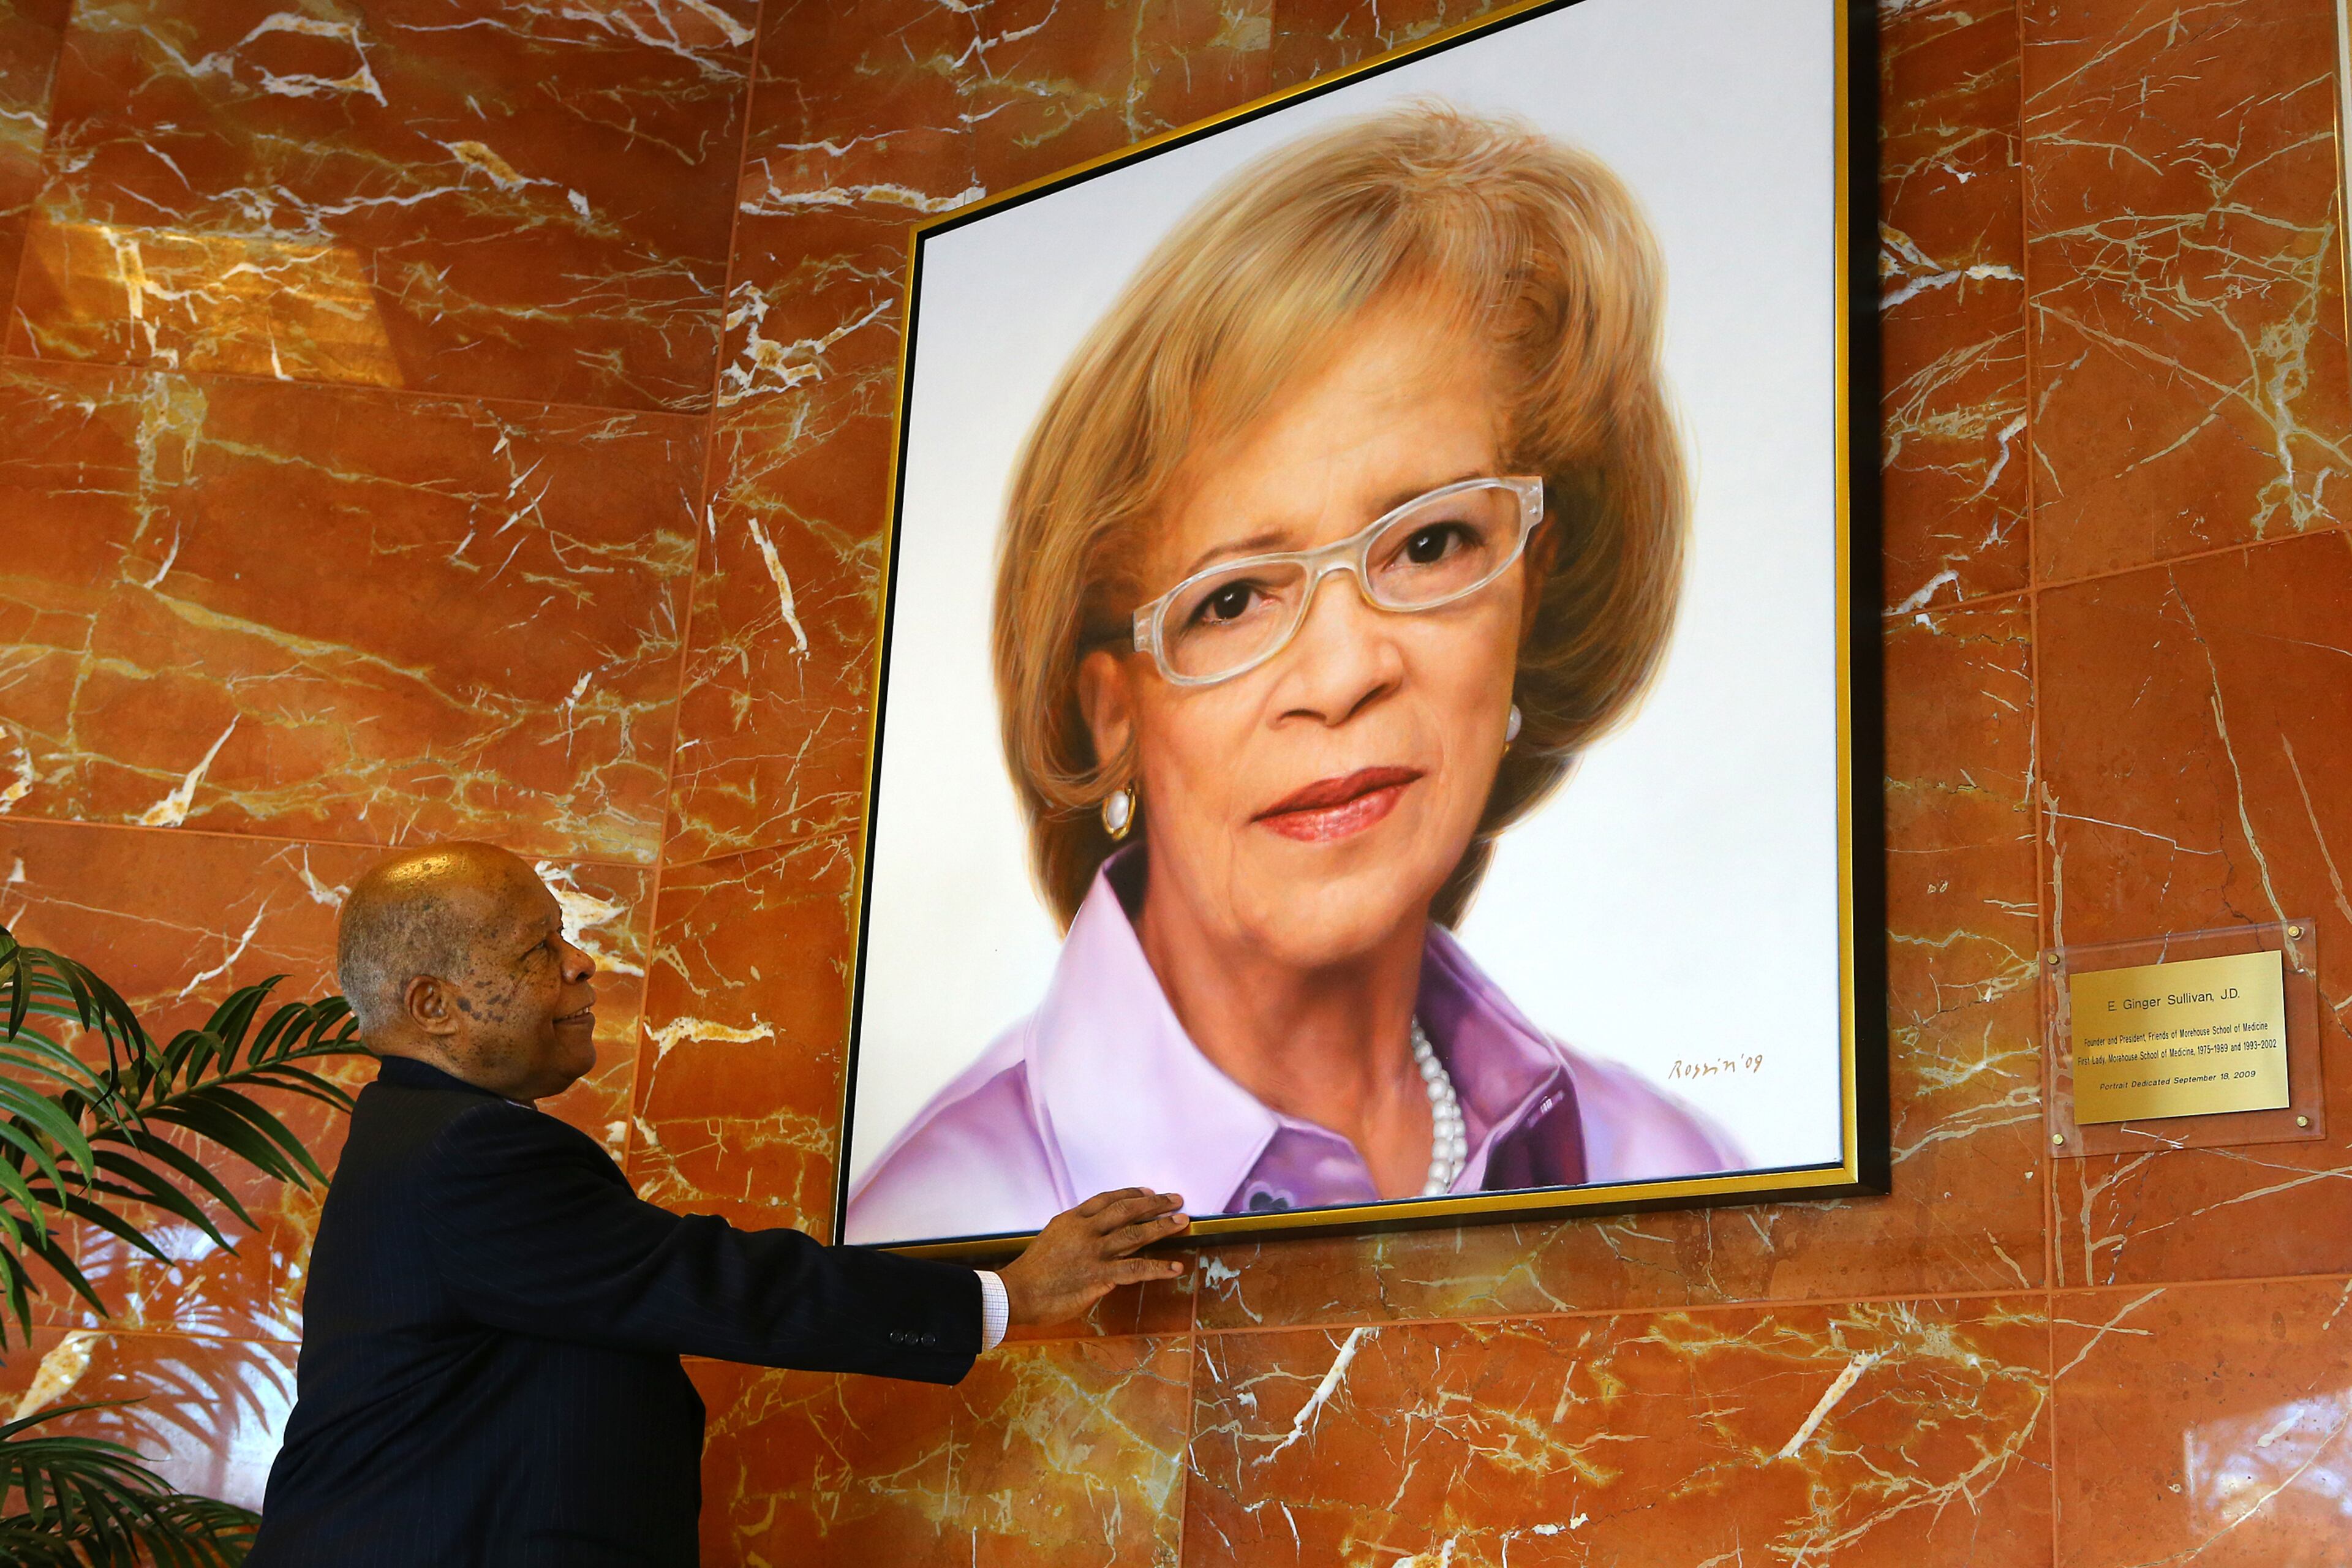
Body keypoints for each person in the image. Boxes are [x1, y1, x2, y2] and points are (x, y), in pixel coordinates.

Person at [845, 104, 1740, 1246]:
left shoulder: (1670, 1162)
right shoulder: (954, 1224)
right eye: (1230, 602)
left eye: (1430, 543)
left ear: (1535, 592)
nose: (1343, 672)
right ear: (1112, 715)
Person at [249, 842, 1188, 1568]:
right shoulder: (464, 1151)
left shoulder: (419, 1140)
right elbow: (715, 1283)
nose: (582, 964)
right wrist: (1005, 1298)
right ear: (434, 1004)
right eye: (540, 948)